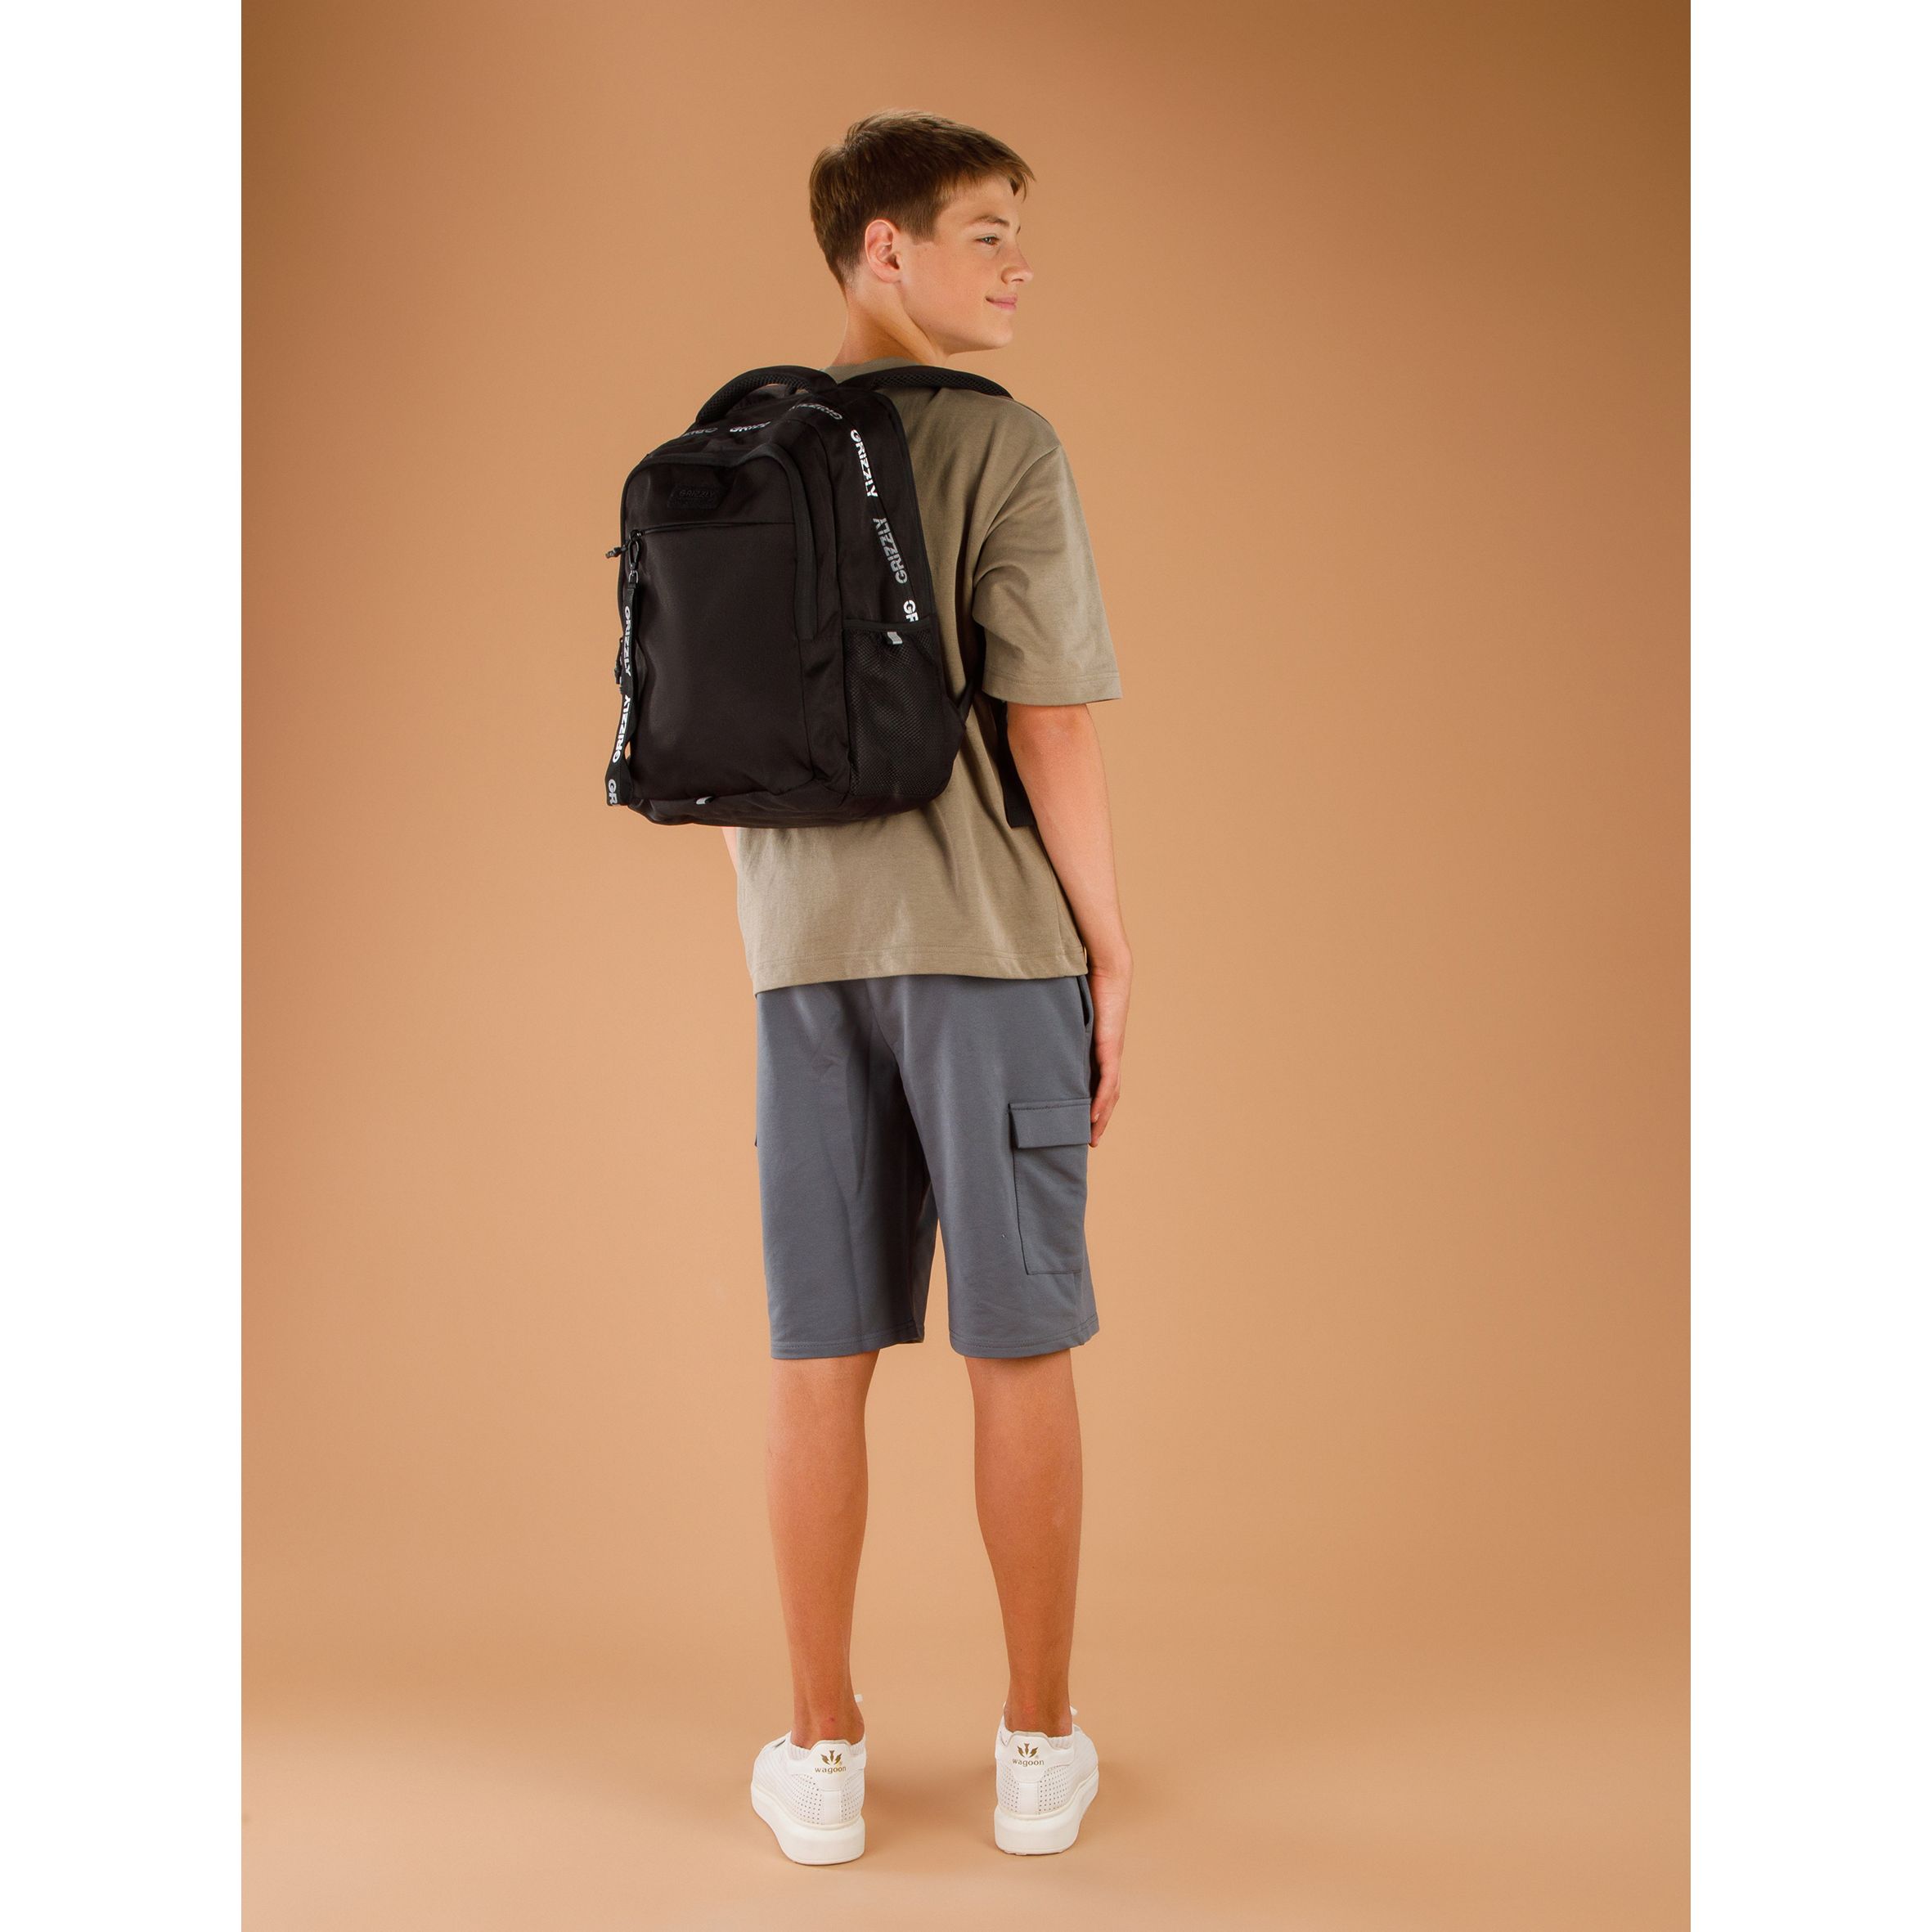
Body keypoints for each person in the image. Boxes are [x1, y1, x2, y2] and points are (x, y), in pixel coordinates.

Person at [734, 111, 1129, 1864]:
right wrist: (1108, 943)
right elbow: (1049, 721)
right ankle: (1035, 1745)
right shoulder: (1001, 443)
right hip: (987, 945)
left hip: (799, 957)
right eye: (983, 233)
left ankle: (819, 1752)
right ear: (882, 248)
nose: (1015, 266)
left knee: (817, 1351)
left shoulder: (739, 446)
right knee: (1016, 1339)